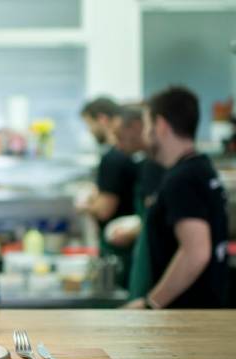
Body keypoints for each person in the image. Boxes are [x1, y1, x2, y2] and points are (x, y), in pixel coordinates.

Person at [125, 86, 229, 309]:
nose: (144, 135)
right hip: (205, 311)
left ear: (160, 126)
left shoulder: (181, 179)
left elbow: (196, 252)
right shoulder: (202, 167)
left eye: (147, 126)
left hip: (186, 316)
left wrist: (150, 304)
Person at [79, 97, 139, 289]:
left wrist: (85, 205)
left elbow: (105, 209)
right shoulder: (128, 157)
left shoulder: (112, 158)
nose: (89, 131)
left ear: (103, 119)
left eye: (89, 125)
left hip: (121, 249)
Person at [107, 104, 165, 300]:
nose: (118, 144)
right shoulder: (145, 165)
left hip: (158, 270)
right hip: (143, 259)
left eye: (120, 136)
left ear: (138, 126)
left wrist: (153, 302)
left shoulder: (164, 168)